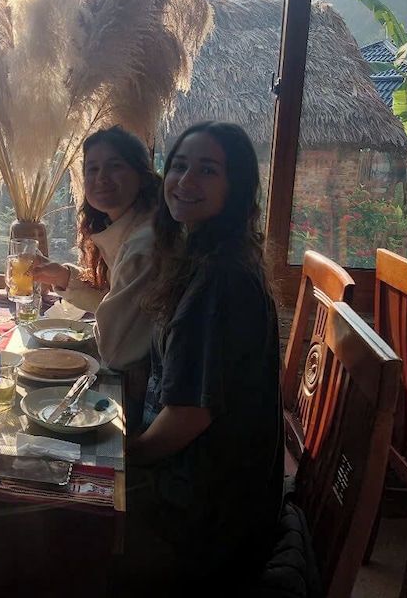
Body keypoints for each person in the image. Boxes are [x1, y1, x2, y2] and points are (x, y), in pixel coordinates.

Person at [123, 121, 284, 591]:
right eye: (179, 166)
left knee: (62, 516)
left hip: (202, 524)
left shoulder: (219, 281)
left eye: (208, 170)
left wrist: (121, 456)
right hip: (218, 500)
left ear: (236, 188)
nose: (185, 181)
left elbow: (187, 416)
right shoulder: (206, 256)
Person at [32, 126, 160, 375]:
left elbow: (116, 351)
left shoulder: (144, 246)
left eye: (115, 166)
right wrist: (64, 277)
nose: (101, 177)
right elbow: (120, 302)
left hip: (150, 384)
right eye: (92, 169)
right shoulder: (125, 228)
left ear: (142, 175)